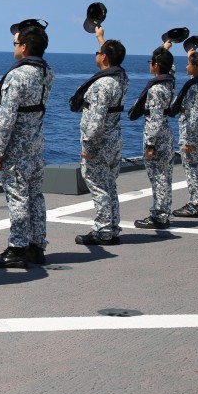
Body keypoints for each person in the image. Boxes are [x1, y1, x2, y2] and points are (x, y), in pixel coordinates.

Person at [0, 22, 53, 268]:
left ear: (24, 47)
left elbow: (5, 118)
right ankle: (37, 246)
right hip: (36, 145)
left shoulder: (17, 75)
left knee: (17, 198)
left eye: (16, 43)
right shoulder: (47, 72)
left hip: (16, 147)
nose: (14, 47)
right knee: (35, 197)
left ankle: (17, 248)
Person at [69, 27, 128, 245]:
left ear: (104, 57)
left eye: (98, 52)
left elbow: (95, 120)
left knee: (98, 185)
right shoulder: (120, 78)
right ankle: (112, 226)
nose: (96, 54)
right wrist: (100, 37)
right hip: (114, 139)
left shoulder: (102, 84)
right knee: (109, 184)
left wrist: (89, 147)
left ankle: (102, 230)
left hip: (100, 142)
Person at [130, 47, 176, 229]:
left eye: (151, 62)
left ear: (156, 66)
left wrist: (150, 144)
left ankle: (159, 215)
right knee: (164, 176)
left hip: (157, 138)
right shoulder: (169, 82)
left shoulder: (156, 89)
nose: (150, 65)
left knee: (159, 177)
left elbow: (154, 120)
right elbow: (170, 69)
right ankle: (162, 212)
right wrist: (165, 49)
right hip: (166, 133)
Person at [168, 49, 198, 218]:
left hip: (192, 132)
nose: (186, 66)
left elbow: (192, 116)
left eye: (189, 64)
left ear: (196, 67)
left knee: (193, 170)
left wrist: (187, 140)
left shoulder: (194, 89)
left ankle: (195, 205)